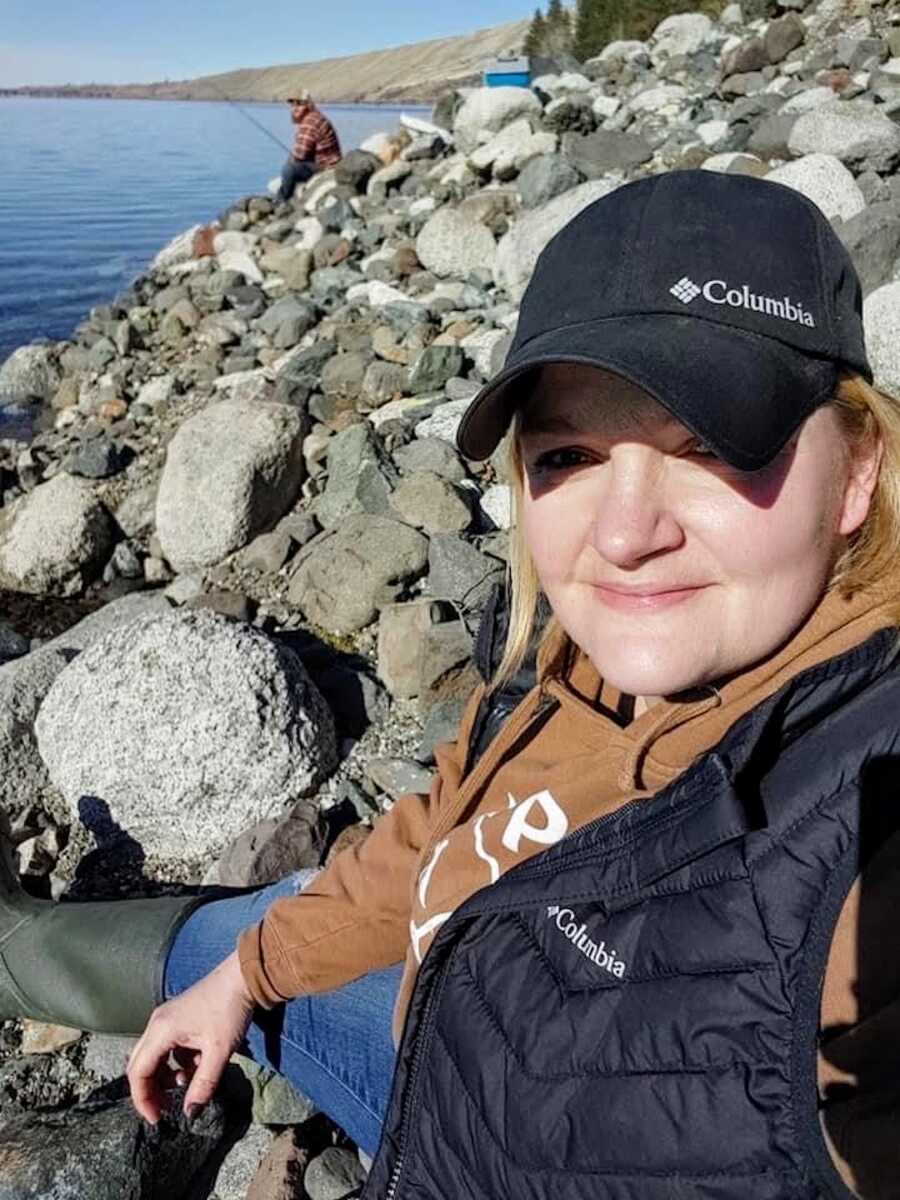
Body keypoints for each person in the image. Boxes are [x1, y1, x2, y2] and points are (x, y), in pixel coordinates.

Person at [2, 169, 899, 1199]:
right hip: (462, 1051)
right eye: (568, 455)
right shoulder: (569, 658)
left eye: (710, 446)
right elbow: (440, 830)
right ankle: (24, 949)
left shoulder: (866, 813)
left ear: (861, 468)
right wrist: (243, 980)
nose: (622, 534)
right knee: (257, 927)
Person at [278, 88, 341, 203]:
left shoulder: (310, 121)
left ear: (308, 105)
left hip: (327, 167)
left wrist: (292, 158)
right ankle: (284, 196)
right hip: (326, 163)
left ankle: (282, 201)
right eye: (293, 104)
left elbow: (300, 154)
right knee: (291, 161)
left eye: (299, 104)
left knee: (289, 169)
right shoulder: (314, 117)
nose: (295, 108)